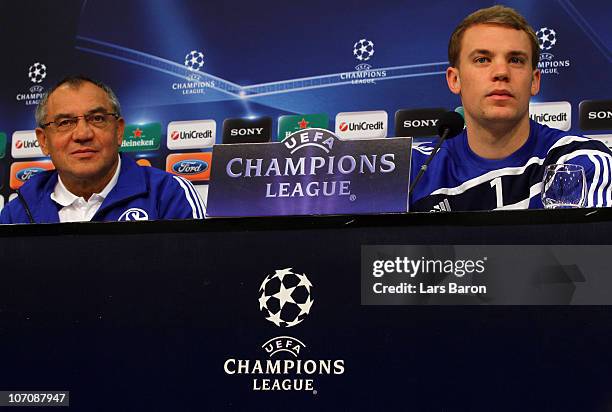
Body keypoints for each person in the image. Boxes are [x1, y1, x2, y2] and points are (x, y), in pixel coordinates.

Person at [409, 5, 612, 211]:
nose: (501, 72)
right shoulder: (411, 169)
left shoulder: (578, 162)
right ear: (455, 79)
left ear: (534, 81)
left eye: (515, 60)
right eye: (482, 60)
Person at [0, 76, 206, 223]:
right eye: (65, 122)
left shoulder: (169, 194)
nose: (82, 134)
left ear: (119, 131)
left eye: (97, 119)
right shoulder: (16, 213)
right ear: (43, 141)